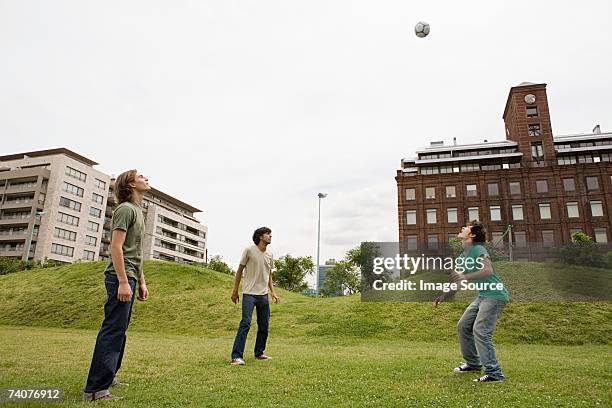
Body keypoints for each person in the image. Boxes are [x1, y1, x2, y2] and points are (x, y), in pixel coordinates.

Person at [83, 170, 151, 401]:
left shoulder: (137, 211)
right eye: (141, 176)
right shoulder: (124, 209)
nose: (146, 178)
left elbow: (137, 251)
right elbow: (116, 246)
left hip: (131, 275)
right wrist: (123, 281)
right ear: (130, 183)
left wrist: (140, 281)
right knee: (113, 330)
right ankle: (95, 390)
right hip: (119, 277)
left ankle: (109, 376)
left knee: (120, 330)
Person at [434, 220, 509, 382]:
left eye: (466, 227)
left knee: (481, 330)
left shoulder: (478, 249)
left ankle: (494, 373)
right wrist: (444, 295)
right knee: (463, 326)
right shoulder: (462, 257)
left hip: (495, 295)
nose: (462, 228)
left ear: (472, 235)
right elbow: (458, 282)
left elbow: (487, 270)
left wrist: (465, 276)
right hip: (483, 295)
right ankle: (473, 364)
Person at [230, 227, 280, 365]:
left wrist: (273, 292)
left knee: (264, 325)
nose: (271, 236)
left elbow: (269, 274)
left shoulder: (270, 255)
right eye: (268, 234)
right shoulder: (249, 250)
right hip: (249, 294)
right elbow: (240, 270)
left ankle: (259, 353)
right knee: (245, 323)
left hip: (263, 295)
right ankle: (236, 356)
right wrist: (235, 291)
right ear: (260, 236)